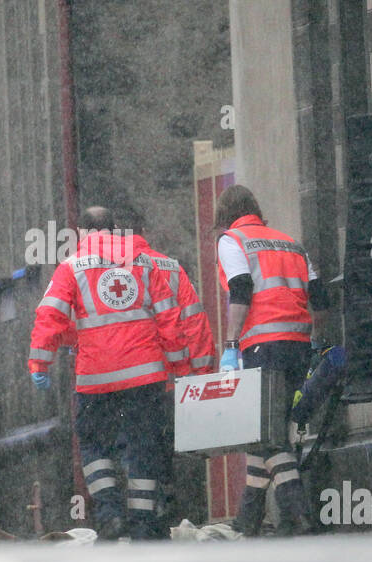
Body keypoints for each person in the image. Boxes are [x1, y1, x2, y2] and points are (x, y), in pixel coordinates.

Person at [28, 206, 186, 540]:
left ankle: (110, 513)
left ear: (83, 234)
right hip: (145, 377)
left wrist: (40, 363)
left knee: (94, 444)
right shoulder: (144, 264)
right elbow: (169, 317)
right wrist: (180, 367)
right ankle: (143, 526)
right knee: (143, 448)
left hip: (96, 379)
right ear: (115, 231)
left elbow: (50, 316)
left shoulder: (71, 268)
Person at [214, 185, 329, 536]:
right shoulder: (288, 242)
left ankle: (299, 515)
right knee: (266, 429)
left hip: (263, 345)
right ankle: (246, 522)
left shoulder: (232, 240)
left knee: (271, 437)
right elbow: (321, 298)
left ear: (224, 216)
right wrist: (312, 340)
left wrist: (231, 343)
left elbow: (241, 288)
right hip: (297, 343)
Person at [115, 207, 216, 536]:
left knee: (135, 447)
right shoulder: (171, 267)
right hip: (171, 380)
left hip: (127, 379)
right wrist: (200, 372)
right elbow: (193, 319)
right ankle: (166, 505)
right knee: (161, 445)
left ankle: (142, 518)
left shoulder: (108, 271)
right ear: (143, 228)